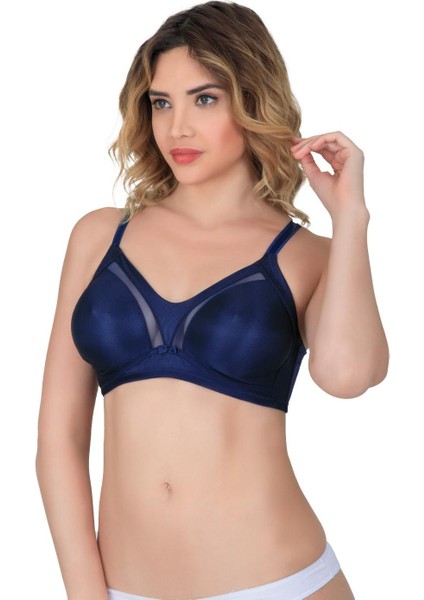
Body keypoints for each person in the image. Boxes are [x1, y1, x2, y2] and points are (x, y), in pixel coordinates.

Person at [35, 2, 389, 599]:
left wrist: (351, 218)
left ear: (252, 100)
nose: (177, 127)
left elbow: (348, 376)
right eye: (161, 103)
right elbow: (58, 444)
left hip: (280, 584)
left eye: (204, 99)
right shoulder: (99, 237)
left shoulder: (309, 256)